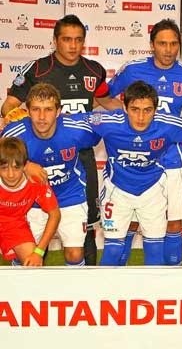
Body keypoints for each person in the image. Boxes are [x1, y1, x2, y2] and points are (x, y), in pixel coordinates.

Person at [1, 14, 118, 266]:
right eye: (66, 39)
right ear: (55, 41)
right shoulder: (38, 68)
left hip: (79, 155)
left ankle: (82, 283)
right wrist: (30, 129)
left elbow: (107, 102)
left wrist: (132, 116)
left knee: (83, 228)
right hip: (35, 153)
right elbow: (9, 106)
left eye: (78, 40)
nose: (73, 46)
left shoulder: (93, 70)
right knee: (28, 241)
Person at [107, 18, 182, 266]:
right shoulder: (134, 70)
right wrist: (124, 119)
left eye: (173, 44)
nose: (168, 50)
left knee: (174, 220)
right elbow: (103, 98)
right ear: (152, 45)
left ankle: (172, 278)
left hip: (170, 157)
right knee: (131, 220)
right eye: (162, 44)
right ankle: (117, 274)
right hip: (136, 157)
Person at [85, 81, 182, 266]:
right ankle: (105, 293)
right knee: (113, 250)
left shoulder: (168, 124)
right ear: (124, 107)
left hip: (152, 190)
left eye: (147, 110)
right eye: (134, 109)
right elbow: (68, 124)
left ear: (156, 109)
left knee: (155, 252)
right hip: (117, 190)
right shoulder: (107, 121)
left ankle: (152, 294)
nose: (140, 117)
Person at [2, 84, 100, 266]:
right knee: (25, 257)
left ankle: (72, 294)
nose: (41, 117)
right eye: (36, 110)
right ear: (28, 111)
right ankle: (26, 294)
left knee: (75, 254)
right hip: (33, 201)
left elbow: (108, 131)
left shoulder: (77, 129)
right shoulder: (15, 133)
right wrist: (26, 165)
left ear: (58, 111)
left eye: (48, 110)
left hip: (70, 195)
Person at [0, 137, 60, 267]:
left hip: (14, 225)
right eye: (4, 168)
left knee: (34, 267)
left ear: (25, 166)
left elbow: (55, 214)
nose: (10, 175)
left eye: (16, 168)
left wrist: (39, 251)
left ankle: (18, 265)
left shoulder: (36, 181)